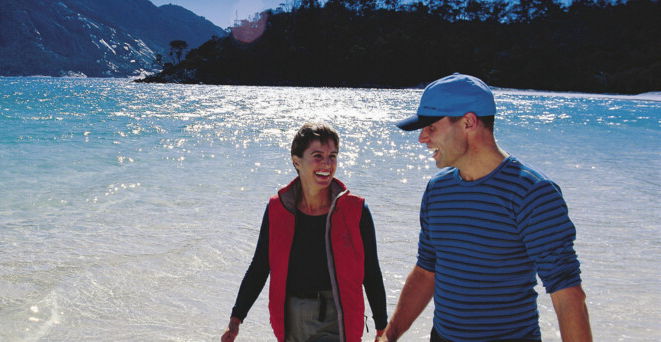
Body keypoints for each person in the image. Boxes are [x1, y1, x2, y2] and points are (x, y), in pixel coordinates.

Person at [382, 73, 592, 342]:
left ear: (468, 122)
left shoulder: (532, 193)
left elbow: (567, 296)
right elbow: (426, 271)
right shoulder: (437, 190)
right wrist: (390, 335)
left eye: (431, 126)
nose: (422, 138)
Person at [222, 122, 388, 342]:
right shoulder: (277, 209)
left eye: (333, 156)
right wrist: (236, 318)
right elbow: (260, 266)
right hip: (290, 318)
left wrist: (382, 328)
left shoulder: (356, 211)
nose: (327, 164)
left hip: (337, 318)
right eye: (318, 155)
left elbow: (371, 272)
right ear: (296, 161)